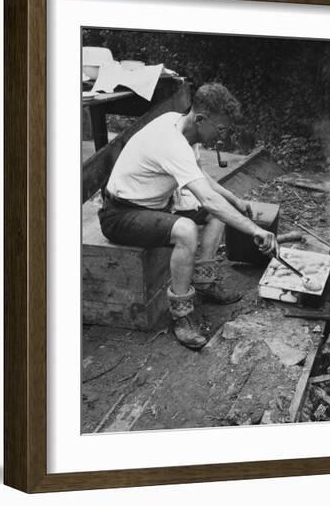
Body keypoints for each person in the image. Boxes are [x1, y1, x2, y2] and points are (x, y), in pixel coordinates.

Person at [99, 83, 277, 350]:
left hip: (155, 206)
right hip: (120, 213)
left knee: (217, 216)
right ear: (201, 119)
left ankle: (204, 280)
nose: (222, 136)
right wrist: (255, 230)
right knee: (186, 230)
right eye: (221, 129)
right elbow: (206, 197)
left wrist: (236, 200)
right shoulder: (171, 142)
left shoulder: (181, 125)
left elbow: (200, 178)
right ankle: (181, 315)